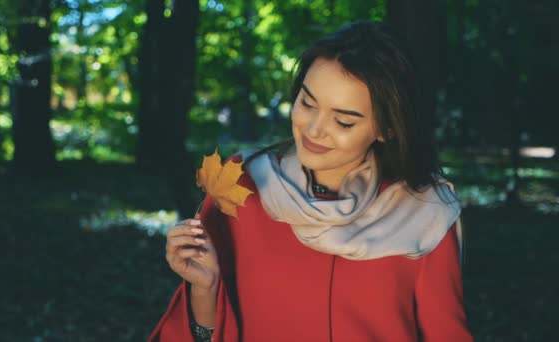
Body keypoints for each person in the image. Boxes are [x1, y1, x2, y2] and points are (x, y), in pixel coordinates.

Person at [148, 21, 474, 342]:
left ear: (387, 129)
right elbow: (197, 335)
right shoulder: (239, 186)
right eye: (307, 103)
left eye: (343, 121)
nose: (314, 129)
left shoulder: (425, 214)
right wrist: (204, 290)